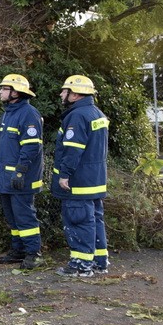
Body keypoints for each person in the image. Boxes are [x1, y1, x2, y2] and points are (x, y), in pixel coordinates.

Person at [51, 74, 110, 278]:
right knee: (95, 219)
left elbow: (73, 150)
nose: (61, 94)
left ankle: (81, 265)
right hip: (95, 179)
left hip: (78, 181)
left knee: (78, 220)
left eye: (64, 90)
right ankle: (99, 262)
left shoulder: (77, 116)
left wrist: (64, 175)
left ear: (75, 95)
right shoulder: (97, 113)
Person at [0, 74, 45, 270]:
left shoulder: (28, 114)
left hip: (21, 177)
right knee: (12, 216)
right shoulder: (8, 113)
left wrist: (21, 171)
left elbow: (31, 147)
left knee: (24, 216)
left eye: (4, 89)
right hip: (6, 177)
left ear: (15, 92)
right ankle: (19, 251)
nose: (0, 91)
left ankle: (34, 253)